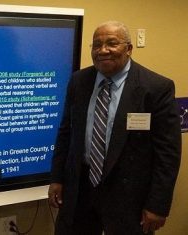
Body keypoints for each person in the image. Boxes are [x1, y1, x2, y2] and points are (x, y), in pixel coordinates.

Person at [48, 21, 181, 235]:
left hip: (128, 196)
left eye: (112, 43)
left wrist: (158, 205)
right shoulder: (79, 80)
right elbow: (66, 133)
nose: (103, 51)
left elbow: (168, 155)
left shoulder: (156, 88)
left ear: (129, 49)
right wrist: (56, 178)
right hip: (81, 188)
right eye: (96, 45)